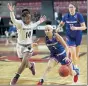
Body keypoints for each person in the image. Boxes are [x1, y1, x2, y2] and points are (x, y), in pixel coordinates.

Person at [8, 3, 46, 85]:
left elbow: (35, 24)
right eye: (27, 19)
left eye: (30, 18)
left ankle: (15, 78)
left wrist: (40, 21)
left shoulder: (31, 23)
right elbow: (13, 20)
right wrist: (11, 12)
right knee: (25, 64)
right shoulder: (19, 24)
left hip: (28, 47)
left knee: (23, 63)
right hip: (19, 46)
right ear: (23, 18)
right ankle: (31, 65)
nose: (29, 20)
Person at [37, 21, 79, 85]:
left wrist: (67, 57)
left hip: (63, 55)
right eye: (45, 30)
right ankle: (42, 80)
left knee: (71, 73)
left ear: (52, 30)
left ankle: (76, 72)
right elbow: (52, 48)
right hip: (54, 56)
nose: (46, 31)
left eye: (48, 30)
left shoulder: (56, 36)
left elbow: (66, 47)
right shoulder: (46, 39)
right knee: (49, 67)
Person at [56, 3, 86, 82]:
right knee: (72, 52)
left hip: (78, 36)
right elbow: (61, 24)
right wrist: (58, 28)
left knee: (76, 55)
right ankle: (75, 70)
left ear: (75, 8)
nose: (70, 8)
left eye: (72, 7)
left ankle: (75, 67)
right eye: (69, 7)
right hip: (69, 37)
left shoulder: (79, 15)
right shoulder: (66, 16)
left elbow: (84, 27)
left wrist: (76, 28)